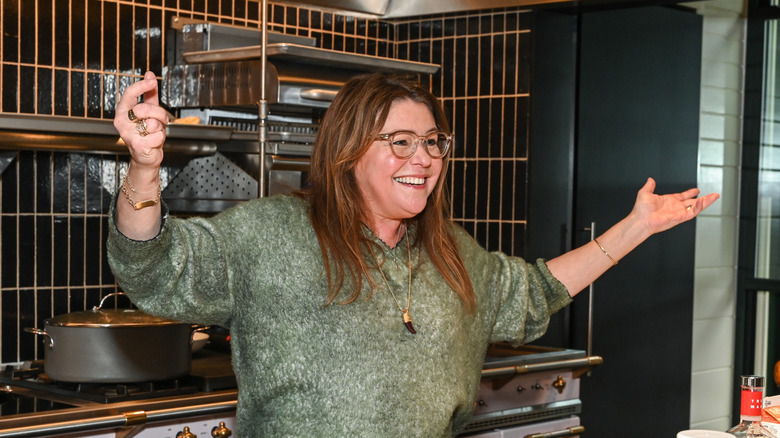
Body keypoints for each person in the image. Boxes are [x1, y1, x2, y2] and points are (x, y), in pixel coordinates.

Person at [107, 71, 719, 437]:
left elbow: (532, 294)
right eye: (399, 142)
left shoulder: (449, 254)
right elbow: (154, 267)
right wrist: (145, 168)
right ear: (348, 151)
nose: (423, 159)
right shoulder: (271, 234)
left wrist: (635, 227)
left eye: (432, 142)